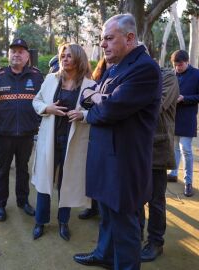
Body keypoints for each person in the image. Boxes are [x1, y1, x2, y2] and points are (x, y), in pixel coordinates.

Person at [73, 14, 162, 270]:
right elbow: (88, 97)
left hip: (124, 162)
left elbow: (109, 110)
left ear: (130, 38)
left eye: (109, 39)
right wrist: (101, 98)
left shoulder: (144, 68)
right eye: (102, 39)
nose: (103, 45)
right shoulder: (116, 67)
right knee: (108, 216)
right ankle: (104, 254)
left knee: (125, 224)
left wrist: (100, 100)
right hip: (106, 156)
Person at [31, 43, 95, 241]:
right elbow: (36, 101)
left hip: (73, 141)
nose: (65, 58)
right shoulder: (51, 79)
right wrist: (47, 108)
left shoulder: (90, 85)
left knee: (66, 182)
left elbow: (98, 111)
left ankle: (63, 222)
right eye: (63, 55)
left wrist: (83, 114)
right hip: (49, 139)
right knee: (44, 180)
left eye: (69, 55)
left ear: (78, 58)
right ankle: (40, 221)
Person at [0, 38, 44, 222]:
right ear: (8, 55)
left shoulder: (36, 76)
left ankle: (23, 201)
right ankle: (0, 205)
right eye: (13, 51)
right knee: (2, 169)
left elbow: (44, 100)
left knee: (22, 169)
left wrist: (39, 123)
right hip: (4, 134)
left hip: (27, 133)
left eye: (21, 51)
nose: (16, 54)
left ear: (28, 56)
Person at [139, 67, 179, 262]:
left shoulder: (168, 76)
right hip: (134, 148)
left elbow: (158, 104)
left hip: (157, 149)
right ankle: (135, 235)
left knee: (155, 200)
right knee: (135, 198)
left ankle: (156, 242)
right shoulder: (130, 75)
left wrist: (127, 99)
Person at [78, 57, 111, 220]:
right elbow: (87, 102)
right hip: (94, 130)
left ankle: (100, 209)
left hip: (107, 129)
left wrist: (96, 97)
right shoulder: (97, 79)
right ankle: (92, 207)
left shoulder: (123, 76)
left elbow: (109, 107)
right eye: (107, 63)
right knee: (94, 173)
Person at [167, 50, 199, 197]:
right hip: (173, 117)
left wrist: (184, 98)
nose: (177, 68)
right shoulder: (172, 74)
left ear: (187, 62)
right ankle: (173, 173)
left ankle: (188, 182)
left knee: (186, 149)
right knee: (174, 148)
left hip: (187, 118)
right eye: (175, 65)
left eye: (180, 65)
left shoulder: (197, 74)